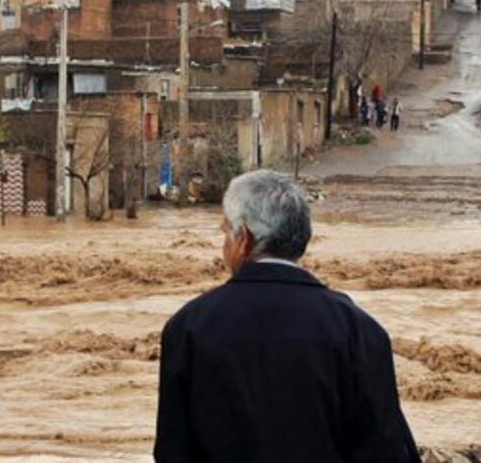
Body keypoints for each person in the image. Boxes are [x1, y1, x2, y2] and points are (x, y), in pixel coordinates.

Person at [154, 170, 420, 462]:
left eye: (224, 232)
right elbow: (386, 451)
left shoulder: (188, 328)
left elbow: (173, 452)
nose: (224, 246)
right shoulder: (359, 330)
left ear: (242, 238)